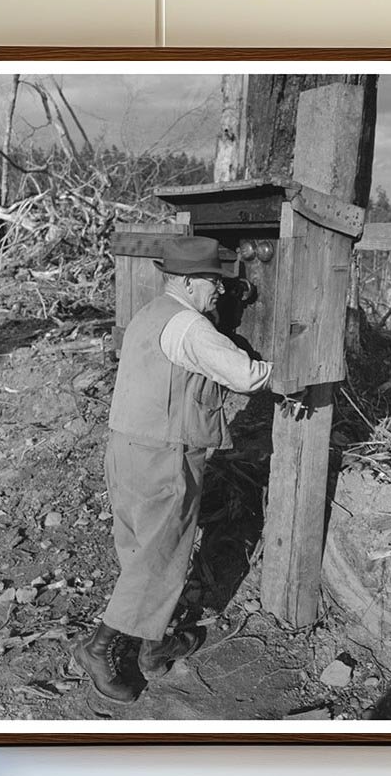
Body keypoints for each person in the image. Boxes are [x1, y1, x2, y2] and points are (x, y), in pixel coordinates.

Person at [73, 235, 274, 702]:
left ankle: (153, 644)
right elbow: (244, 375)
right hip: (163, 456)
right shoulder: (189, 325)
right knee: (160, 557)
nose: (219, 289)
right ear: (186, 282)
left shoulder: (150, 313)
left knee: (140, 552)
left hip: (126, 447)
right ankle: (98, 648)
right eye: (211, 281)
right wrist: (286, 370)